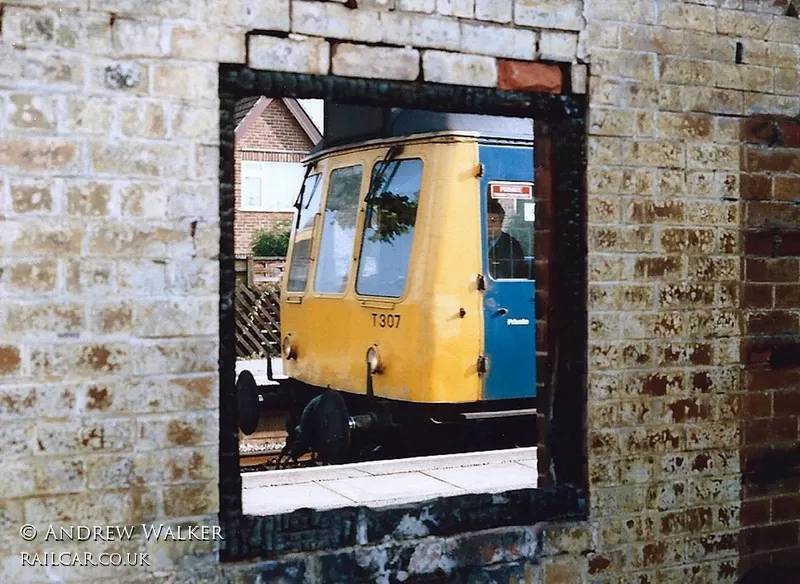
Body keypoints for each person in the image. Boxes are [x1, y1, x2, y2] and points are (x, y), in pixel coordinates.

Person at [487, 198, 529, 279]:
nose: (489, 226)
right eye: (485, 221)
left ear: (501, 223)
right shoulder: (474, 243)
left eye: (493, 221)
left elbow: (512, 274)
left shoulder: (512, 245)